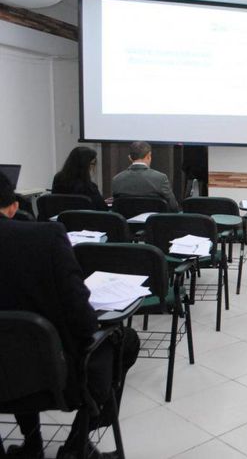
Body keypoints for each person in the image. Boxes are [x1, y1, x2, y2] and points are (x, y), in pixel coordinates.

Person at [0, 172, 139, 459]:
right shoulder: (46, 238)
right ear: (13, 208)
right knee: (125, 341)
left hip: (10, 370)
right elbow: (83, 322)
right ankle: (77, 444)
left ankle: (32, 444)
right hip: (54, 377)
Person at [112, 141, 179, 211]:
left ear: (130, 157)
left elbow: (115, 208)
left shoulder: (117, 179)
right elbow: (173, 207)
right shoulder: (161, 178)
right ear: (148, 156)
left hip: (126, 218)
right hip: (153, 218)